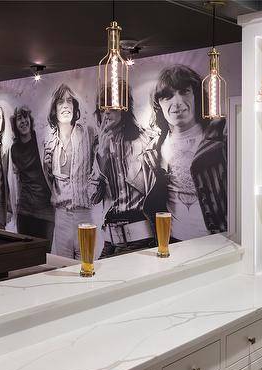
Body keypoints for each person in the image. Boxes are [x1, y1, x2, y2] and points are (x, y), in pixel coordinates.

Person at [144, 64, 228, 241]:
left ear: (197, 95)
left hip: (216, 241)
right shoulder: (155, 148)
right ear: (159, 103)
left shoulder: (221, 138)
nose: (177, 103)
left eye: (184, 92)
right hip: (173, 241)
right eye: (167, 96)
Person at [93, 89, 157, 256]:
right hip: (110, 239)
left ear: (124, 108)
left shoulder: (145, 139)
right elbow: (91, 197)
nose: (106, 112)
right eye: (102, 108)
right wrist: (102, 155)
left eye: (112, 106)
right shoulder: (98, 145)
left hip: (139, 237)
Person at [42, 84, 103, 259]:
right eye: (60, 102)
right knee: (63, 269)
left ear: (75, 106)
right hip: (61, 216)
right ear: (54, 108)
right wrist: (47, 168)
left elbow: (102, 167)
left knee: (87, 267)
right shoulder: (49, 141)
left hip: (85, 214)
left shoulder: (89, 133)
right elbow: (50, 183)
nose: (66, 105)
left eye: (70, 101)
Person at [9, 106, 54, 244]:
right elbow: (17, 178)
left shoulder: (40, 140)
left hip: (45, 209)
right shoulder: (14, 148)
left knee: (45, 255)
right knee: (26, 254)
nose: (23, 121)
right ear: (15, 125)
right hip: (25, 210)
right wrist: (16, 207)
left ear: (30, 119)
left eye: (25, 117)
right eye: (19, 119)